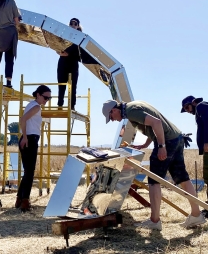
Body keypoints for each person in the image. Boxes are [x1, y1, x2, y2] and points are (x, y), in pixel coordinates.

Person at [102, 99, 206, 230]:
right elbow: (154, 125)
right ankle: (196, 215)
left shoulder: (130, 111)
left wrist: (162, 146)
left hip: (167, 141)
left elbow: (156, 123)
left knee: (153, 180)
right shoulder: (134, 105)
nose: (112, 120)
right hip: (177, 138)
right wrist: (145, 145)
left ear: (114, 110)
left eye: (110, 117)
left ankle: (154, 221)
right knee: (183, 178)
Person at [16, 85, 51, 212]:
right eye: (45, 97)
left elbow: (24, 120)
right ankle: (25, 200)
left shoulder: (32, 105)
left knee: (28, 171)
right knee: (30, 172)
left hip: (29, 138)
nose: (46, 100)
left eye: (49, 98)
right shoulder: (36, 106)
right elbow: (23, 120)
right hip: (30, 139)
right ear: (38, 94)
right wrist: (25, 137)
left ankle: (20, 198)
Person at [181, 95, 208, 209]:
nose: (187, 111)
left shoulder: (201, 106)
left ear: (193, 103)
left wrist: (206, 141)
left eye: (187, 108)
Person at [56, 18, 82, 111]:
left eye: (75, 24)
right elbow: (56, 45)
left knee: (73, 85)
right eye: (71, 23)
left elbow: (78, 51)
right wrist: (60, 52)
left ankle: (72, 106)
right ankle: (60, 105)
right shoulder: (64, 34)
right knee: (61, 84)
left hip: (73, 63)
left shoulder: (80, 36)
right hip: (63, 62)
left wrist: (67, 53)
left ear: (78, 26)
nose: (73, 25)